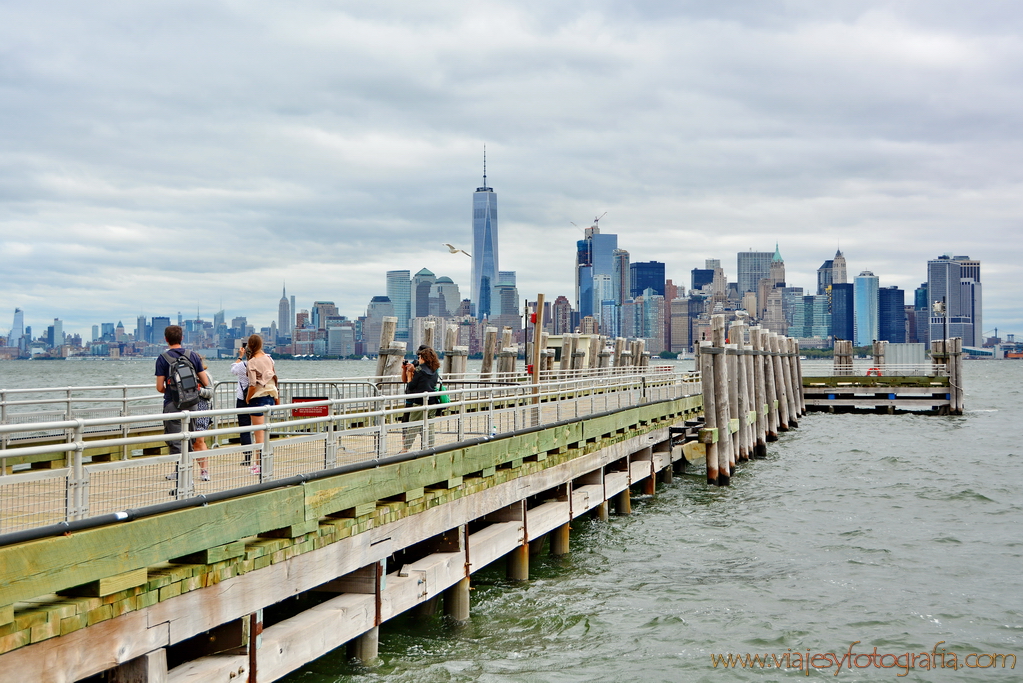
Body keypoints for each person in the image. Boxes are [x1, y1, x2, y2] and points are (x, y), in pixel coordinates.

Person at [155, 326, 212, 480]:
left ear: (166, 339)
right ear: (182, 338)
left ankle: (179, 472)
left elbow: (160, 387)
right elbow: (206, 382)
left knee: (175, 439)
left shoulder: (162, 358)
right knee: (190, 437)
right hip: (192, 403)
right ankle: (187, 470)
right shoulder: (192, 355)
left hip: (172, 404)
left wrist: (171, 390)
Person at [245, 334, 280, 475]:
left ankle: (258, 465)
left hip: (258, 398)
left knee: (258, 434)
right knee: (266, 433)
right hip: (271, 396)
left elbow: (252, 384)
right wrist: (277, 398)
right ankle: (265, 462)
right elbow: (275, 378)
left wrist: (248, 398)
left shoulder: (252, 362)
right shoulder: (269, 359)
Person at [399, 346, 441, 452]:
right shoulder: (434, 369)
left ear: (424, 357)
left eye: (420, 357)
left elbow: (412, 385)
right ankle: (430, 447)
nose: (418, 359)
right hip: (431, 400)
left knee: (413, 425)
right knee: (430, 426)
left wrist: (409, 375)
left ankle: (405, 448)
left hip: (419, 401)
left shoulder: (419, 369)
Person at [230, 344, 253, 466]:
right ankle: (263, 456)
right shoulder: (260, 363)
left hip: (243, 399)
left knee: (244, 428)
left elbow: (233, 369)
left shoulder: (242, 365)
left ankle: (248, 457)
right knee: (261, 428)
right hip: (257, 398)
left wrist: (240, 356)